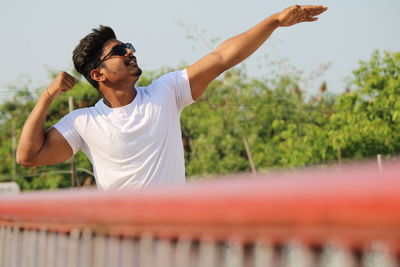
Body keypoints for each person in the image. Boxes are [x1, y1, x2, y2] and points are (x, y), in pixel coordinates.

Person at [16, 5, 328, 190]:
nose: (130, 51)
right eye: (118, 51)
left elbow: (221, 57)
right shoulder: (84, 122)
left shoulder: (166, 92)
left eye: (128, 45)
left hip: (172, 241)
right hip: (121, 246)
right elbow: (28, 156)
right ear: (98, 74)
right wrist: (49, 94)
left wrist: (273, 21)